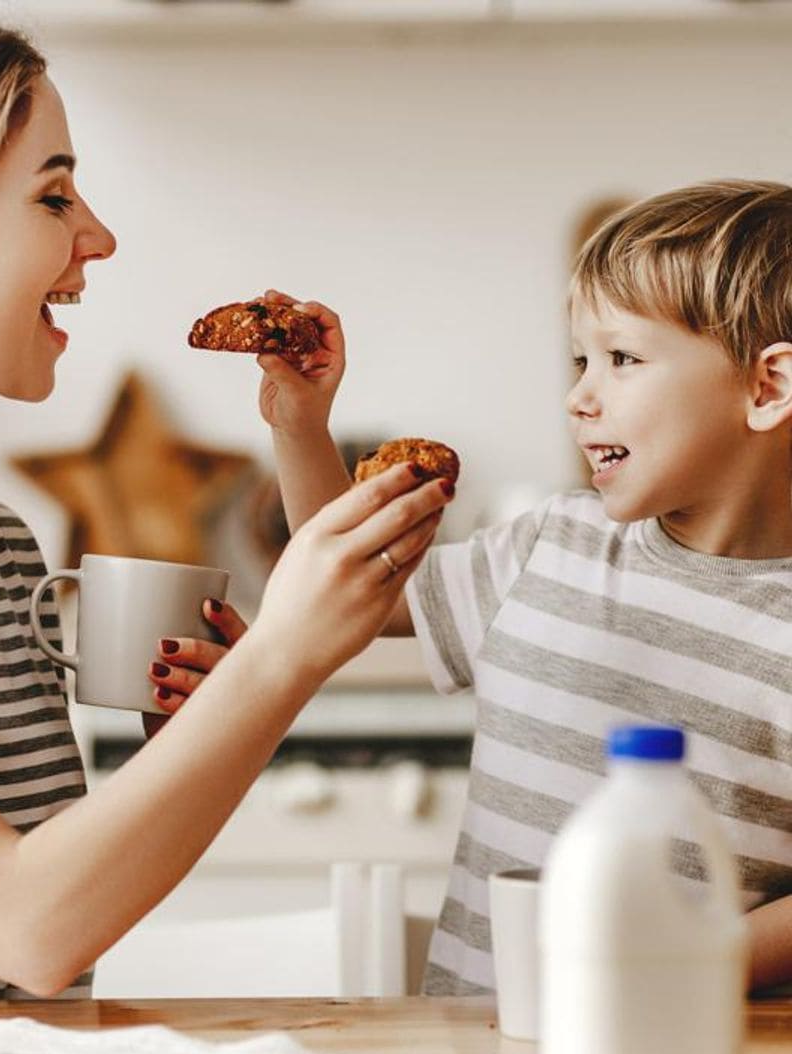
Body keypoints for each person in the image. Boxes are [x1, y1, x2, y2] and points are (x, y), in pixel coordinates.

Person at [0, 0, 451, 1001]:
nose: (97, 237)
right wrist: (277, 660)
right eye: (53, 198)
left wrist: (206, 723)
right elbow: (20, 926)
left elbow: (52, 930)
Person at [255, 180, 792, 998]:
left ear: (767, 388)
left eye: (622, 358)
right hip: (478, 1047)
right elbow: (351, 583)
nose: (579, 396)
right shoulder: (550, 548)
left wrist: (685, 962)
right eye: (582, 360)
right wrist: (301, 427)